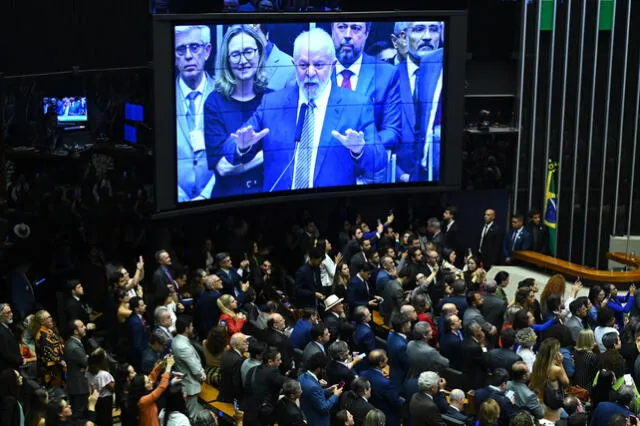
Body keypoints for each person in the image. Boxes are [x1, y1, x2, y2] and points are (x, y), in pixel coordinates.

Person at [221, 27, 384, 192]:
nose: (310, 72)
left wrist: (359, 150)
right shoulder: (272, 104)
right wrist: (242, 146)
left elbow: (379, 160)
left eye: (319, 65)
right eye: (303, 65)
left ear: (333, 65)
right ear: (294, 64)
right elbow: (229, 149)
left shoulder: (356, 106)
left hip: (331, 210)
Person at [329, 21, 401, 183]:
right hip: (326, 170)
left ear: (367, 33)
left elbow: (392, 131)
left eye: (355, 28)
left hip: (369, 175)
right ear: (332, 31)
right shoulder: (318, 70)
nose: (348, 35)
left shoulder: (387, 74)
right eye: (341, 27)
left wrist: (360, 148)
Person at [204, 25, 271, 197]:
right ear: (227, 60)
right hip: (227, 200)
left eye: (249, 51)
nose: (243, 61)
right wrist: (268, 154)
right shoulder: (214, 103)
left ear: (259, 54)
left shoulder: (272, 99)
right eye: (235, 55)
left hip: (267, 197)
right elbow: (223, 168)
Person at [174, 25, 216, 202]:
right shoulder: (162, 96)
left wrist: (206, 196)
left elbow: (231, 157)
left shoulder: (224, 95)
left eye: (195, 47)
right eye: (181, 49)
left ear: (207, 51)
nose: (189, 56)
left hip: (214, 200)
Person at [171, 315, 206, 417]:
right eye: (191, 326)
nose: (192, 328)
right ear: (186, 328)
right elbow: (195, 369)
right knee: (192, 415)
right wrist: (203, 377)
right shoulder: (182, 346)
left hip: (186, 383)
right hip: (189, 386)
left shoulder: (177, 340)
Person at [128, 355, 178, 426]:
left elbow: (152, 375)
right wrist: (168, 368)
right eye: (148, 382)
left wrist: (162, 363)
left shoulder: (141, 394)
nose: (151, 382)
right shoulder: (143, 401)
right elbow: (161, 387)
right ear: (142, 387)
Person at [298, 352, 342, 426]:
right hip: (318, 422)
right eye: (324, 368)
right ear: (318, 369)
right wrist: (335, 395)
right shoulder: (313, 386)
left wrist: (327, 390)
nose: (324, 370)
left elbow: (312, 395)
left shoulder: (302, 377)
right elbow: (323, 408)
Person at [64, 319, 89, 420]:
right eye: (82, 326)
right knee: (80, 416)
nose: (85, 328)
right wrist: (86, 364)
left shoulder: (72, 343)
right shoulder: (74, 347)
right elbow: (87, 363)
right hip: (79, 386)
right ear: (75, 331)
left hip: (76, 383)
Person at [86, 348, 115, 426]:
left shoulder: (87, 373)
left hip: (94, 400)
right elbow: (112, 389)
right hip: (105, 401)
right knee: (106, 421)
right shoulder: (104, 375)